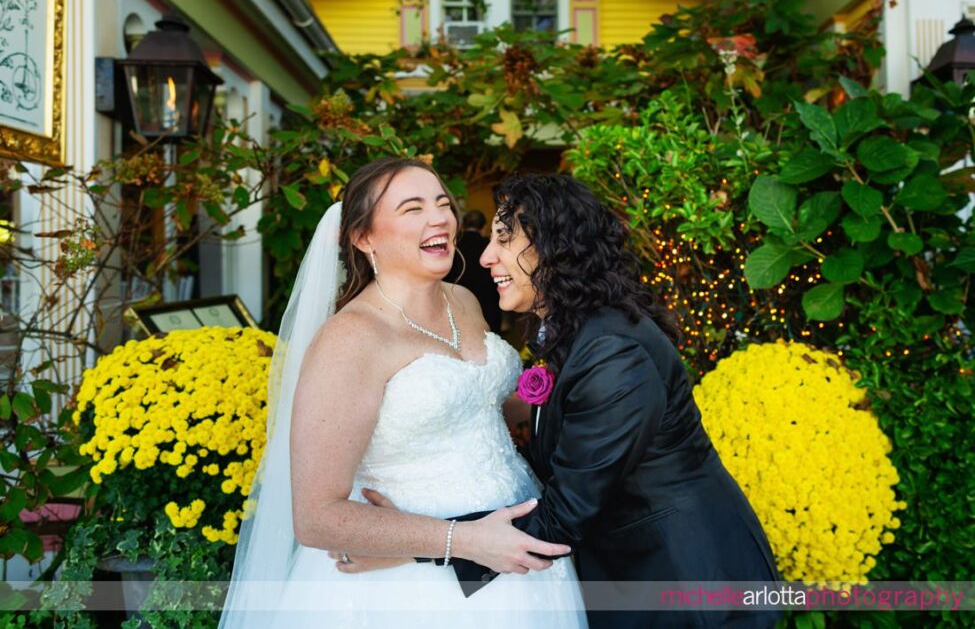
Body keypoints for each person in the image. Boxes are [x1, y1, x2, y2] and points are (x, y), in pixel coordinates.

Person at [344, 174, 781, 628]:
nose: (486, 256)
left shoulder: (614, 352)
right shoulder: (575, 326)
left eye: (504, 238)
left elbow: (564, 517)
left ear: (555, 247)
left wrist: (416, 545)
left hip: (686, 580)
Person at [219, 159, 586, 628]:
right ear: (363, 237)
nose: (439, 219)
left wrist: (565, 389)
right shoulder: (350, 339)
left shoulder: (465, 301)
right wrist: (465, 542)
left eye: (441, 203)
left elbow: (474, 406)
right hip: (406, 589)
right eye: (412, 208)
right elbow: (316, 516)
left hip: (517, 544)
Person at [446, 210, 503, 334]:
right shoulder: (489, 245)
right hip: (488, 302)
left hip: (458, 303)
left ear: (463, 226)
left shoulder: (453, 246)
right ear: (484, 227)